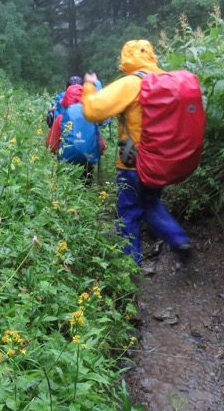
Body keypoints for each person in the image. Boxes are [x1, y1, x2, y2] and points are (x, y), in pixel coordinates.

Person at [81, 40, 192, 264]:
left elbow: (94, 111)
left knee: (129, 210)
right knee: (150, 203)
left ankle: (130, 266)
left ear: (125, 58)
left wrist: (89, 85)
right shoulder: (167, 80)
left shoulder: (131, 83)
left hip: (133, 164)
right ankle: (179, 240)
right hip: (160, 162)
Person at [45, 80, 104, 184]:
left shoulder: (61, 118)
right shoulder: (92, 117)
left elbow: (51, 145)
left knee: (67, 189)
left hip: (66, 164)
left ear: (66, 98)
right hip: (87, 163)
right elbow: (102, 146)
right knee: (86, 188)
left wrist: (57, 156)